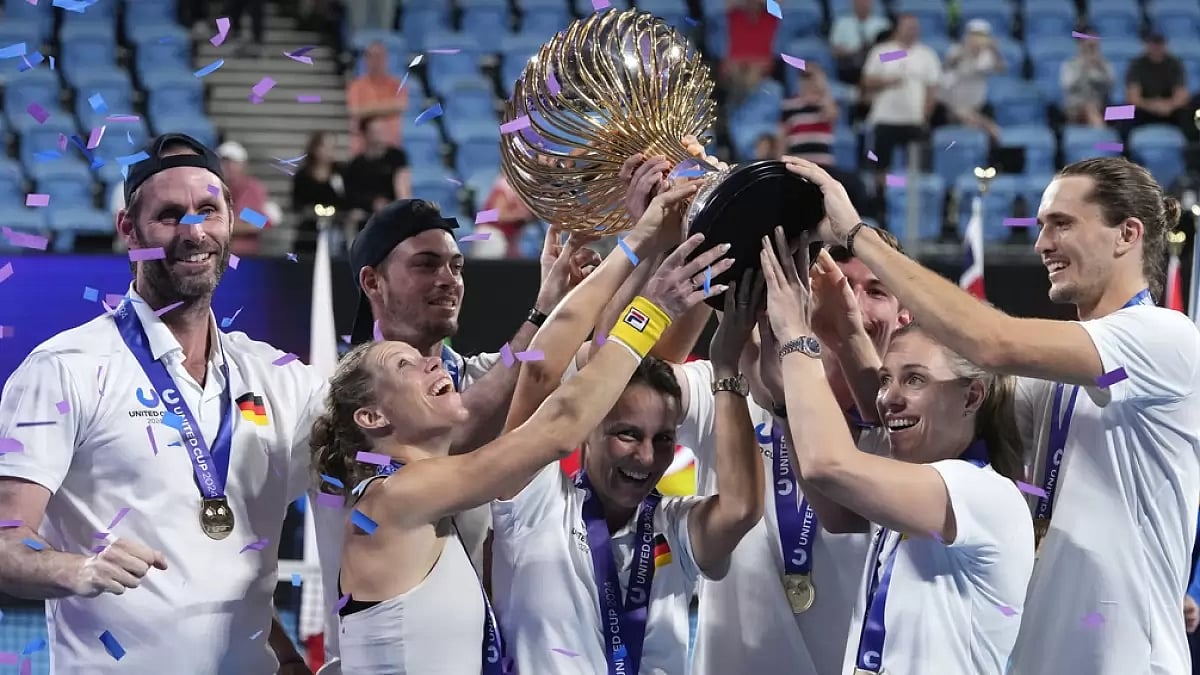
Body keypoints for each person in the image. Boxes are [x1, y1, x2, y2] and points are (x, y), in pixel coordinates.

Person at [784, 153, 1200, 674]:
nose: (1042, 243)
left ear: (1127, 234)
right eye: (1042, 225)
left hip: (1130, 660)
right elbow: (925, 410)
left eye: (1062, 224)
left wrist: (857, 234)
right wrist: (847, 337)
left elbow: (991, 342)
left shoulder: (1166, 339)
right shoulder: (1051, 377)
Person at [312, 181, 730, 673]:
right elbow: (557, 422)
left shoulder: (421, 467)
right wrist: (647, 291)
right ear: (372, 417)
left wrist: (652, 243)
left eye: (456, 264)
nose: (433, 368)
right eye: (407, 367)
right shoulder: (394, 493)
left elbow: (579, 369)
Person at [0, 134, 317, 673]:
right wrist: (78, 570)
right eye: (170, 215)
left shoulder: (277, 377)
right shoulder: (65, 367)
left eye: (208, 211)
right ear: (129, 229)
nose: (194, 231)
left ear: (231, 220)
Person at [310, 198, 603, 674]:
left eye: (456, 265)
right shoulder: (333, 402)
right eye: (426, 265)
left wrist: (567, 300)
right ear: (372, 281)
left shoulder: (475, 377)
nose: (448, 279)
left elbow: (597, 362)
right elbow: (458, 434)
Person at [758, 230, 1034, 673]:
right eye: (887, 379)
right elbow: (836, 512)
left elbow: (828, 464)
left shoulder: (982, 494)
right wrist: (793, 393)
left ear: (971, 397)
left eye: (916, 380)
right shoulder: (916, 483)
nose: (888, 398)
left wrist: (796, 334)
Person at [490, 256, 765, 674]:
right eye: (628, 434)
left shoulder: (673, 525)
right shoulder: (536, 501)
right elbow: (539, 374)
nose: (646, 456)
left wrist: (725, 368)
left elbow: (741, 509)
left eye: (664, 439)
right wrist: (640, 247)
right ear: (588, 429)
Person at [861, 14, 941, 175]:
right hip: (885, 120)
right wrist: (887, 81)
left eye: (915, 28)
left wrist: (925, 115)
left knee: (918, 168)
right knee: (881, 167)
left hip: (914, 121)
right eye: (908, 27)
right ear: (898, 28)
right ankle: (881, 196)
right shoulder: (884, 52)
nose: (913, 31)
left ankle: (914, 197)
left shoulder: (926, 55)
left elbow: (932, 89)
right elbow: (866, 80)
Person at [937, 19, 1004, 141]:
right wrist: (963, 52)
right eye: (974, 34)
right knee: (962, 113)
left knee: (972, 124)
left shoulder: (988, 55)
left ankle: (985, 130)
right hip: (953, 102)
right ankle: (989, 127)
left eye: (981, 35)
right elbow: (946, 68)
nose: (977, 39)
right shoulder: (956, 50)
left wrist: (995, 50)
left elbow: (1001, 69)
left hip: (977, 103)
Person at [343, 116, 411, 227]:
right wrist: (372, 204)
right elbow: (351, 196)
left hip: (392, 213)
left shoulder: (396, 157)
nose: (380, 135)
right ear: (365, 134)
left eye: (382, 131)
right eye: (375, 131)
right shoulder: (355, 165)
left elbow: (402, 187)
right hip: (366, 216)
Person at [216, 140, 278, 256]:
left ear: (243, 164)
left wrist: (221, 225)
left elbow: (261, 223)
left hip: (245, 256)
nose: (228, 167)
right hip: (217, 255)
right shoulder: (212, 188)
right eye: (224, 162)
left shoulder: (253, 189)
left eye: (233, 162)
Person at [1126, 32, 1191, 138]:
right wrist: (1153, 106)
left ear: (1165, 45)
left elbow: (1181, 96)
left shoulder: (1174, 63)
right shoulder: (1137, 64)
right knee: (1114, 113)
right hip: (1144, 108)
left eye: (1159, 43)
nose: (1156, 47)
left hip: (1170, 109)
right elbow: (1132, 98)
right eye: (1153, 43)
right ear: (1147, 45)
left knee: (1194, 112)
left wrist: (1168, 106)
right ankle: (1123, 150)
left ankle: (1191, 150)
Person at [291, 131, 346, 255]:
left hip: (335, 229)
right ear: (315, 149)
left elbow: (346, 199)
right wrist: (311, 211)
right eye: (325, 147)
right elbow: (296, 203)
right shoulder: (303, 176)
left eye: (332, 147)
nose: (329, 152)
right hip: (308, 232)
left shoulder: (340, 173)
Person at [347, 41, 406, 155]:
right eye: (372, 57)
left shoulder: (396, 84)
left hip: (391, 146)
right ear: (366, 60)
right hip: (362, 148)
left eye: (380, 57)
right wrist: (387, 108)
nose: (377, 61)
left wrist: (369, 109)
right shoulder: (356, 86)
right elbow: (354, 111)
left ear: (386, 59)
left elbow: (401, 105)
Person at [829, 0, 891, 85]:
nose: (862, 5)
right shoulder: (841, 24)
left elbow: (890, 49)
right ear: (852, 4)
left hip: (876, 63)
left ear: (871, 4)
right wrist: (853, 51)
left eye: (865, 2)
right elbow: (834, 50)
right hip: (850, 65)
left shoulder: (883, 24)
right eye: (859, 2)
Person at [1061, 36, 1116, 129]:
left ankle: (1127, 140)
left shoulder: (1104, 64)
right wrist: (1084, 66)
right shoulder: (1070, 64)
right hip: (1075, 109)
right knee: (1091, 110)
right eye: (1089, 45)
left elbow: (1111, 86)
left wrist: (1100, 67)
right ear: (1080, 45)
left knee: (1129, 112)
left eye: (1094, 45)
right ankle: (1104, 141)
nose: (1091, 49)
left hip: (1102, 107)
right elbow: (1068, 85)